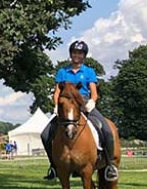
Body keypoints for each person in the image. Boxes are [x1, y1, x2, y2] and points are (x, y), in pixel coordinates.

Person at [41, 40, 118, 181]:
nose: (77, 55)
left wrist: (92, 102)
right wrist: (56, 106)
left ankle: (110, 165)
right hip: (66, 106)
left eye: (80, 53)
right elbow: (57, 92)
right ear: (71, 54)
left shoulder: (89, 71)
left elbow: (94, 92)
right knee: (45, 134)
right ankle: (53, 166)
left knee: (106, 129)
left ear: (84, 55)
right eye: (75, 52)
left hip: (84, 103)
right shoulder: (62, 72)